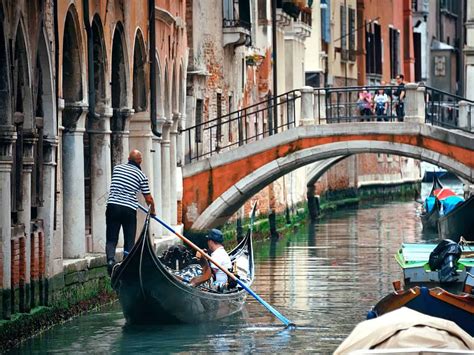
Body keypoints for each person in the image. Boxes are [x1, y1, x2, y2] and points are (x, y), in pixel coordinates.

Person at [106, 149, 156, 275]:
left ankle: (110, 260)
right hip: (128, 209)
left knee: (112, 238)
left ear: (128, 159)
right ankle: (125, 265)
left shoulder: (117, 169)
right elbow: (148, 199)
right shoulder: (141, 176)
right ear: (140, 161)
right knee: (129, 239)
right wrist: (153, 212)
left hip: (112, 206)